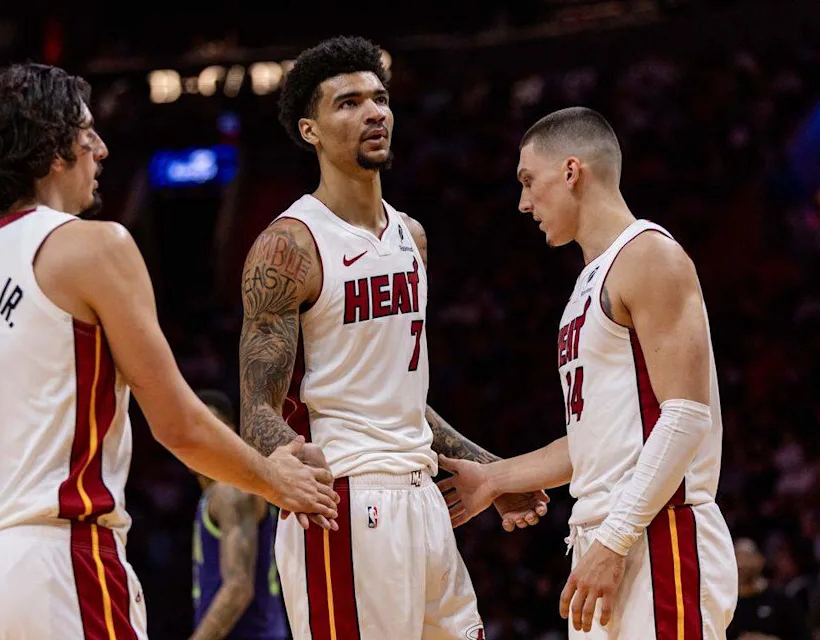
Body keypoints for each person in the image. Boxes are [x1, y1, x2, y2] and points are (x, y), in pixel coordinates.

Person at [0, 62, 338, 640]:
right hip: (60, 557)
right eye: (88, 132)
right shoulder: (94, 246)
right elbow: (177, 424)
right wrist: (272, 478)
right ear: (52, 147)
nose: (102, 149)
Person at [238, 36, 547, 639]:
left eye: (379, 99)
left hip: (424, 499)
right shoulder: (289, 246)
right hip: (345, 500)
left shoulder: (412, 237)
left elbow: (401, 400)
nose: (374, 113)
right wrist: (293, 464)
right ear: (310, 131)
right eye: (349, 103)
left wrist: (492, 472)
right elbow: (256, 410)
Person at [438, 106, 738, 639]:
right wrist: (495, 478)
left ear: (572, 171)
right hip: (606, 538)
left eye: (528, 181)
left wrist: (615, 540)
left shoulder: (649, 255)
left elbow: (687, 417)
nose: (523, 202)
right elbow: (598, 440)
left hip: (658, 535)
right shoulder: (587, 284)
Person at [191, 390, 288, 640]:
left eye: (209, 427)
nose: (198, 437)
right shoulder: (214, 494)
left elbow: (238, 588)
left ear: (230, 433)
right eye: (192, 427)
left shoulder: (231, 492)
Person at [727, 538, 809, 640]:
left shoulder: (782, 602)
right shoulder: (727, 606)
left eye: (746, 557)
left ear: (760, 560)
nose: (741, 563)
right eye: (736, 557)